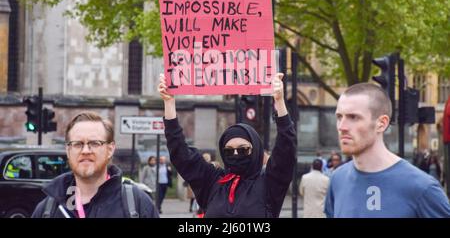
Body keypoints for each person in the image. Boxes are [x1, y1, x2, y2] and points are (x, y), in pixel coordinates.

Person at [158, 72, 297, 218]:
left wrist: (279, 102)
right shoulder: (212, 181)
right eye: (229, 151)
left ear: (255, 150)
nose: (236, 154)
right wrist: (169, 103)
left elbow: (286, 148)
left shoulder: (269, 183)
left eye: (243, 150)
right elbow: (181, 154)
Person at [325, 83, 450, 217]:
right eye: (339, 117)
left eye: (353, 117)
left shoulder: (422, 187)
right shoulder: (337, 179)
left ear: (382, 123)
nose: (342, 126)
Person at [32, 111, 158, 218]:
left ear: (110, 149)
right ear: (68, 150)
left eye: (94, 143)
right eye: (77, 144)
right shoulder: (46, 210)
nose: (85, 150)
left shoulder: (139, 205)